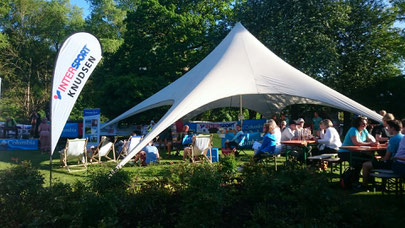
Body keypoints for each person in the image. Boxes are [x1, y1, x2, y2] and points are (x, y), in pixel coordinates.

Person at [362, 120, 403, 186]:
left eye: (388, 127)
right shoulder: (403, 137)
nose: (387, 129)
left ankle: (364, 185)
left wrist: (382, 160)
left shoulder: (393, 139)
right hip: (400, 163)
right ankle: (383, 185)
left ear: (392, 128)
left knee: (366, 165)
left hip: (393, 163)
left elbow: (387, 157)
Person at [339, 117, 378, 183]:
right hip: (345, 152)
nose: (365, 125)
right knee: (360, 161)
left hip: (356, 152)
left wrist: (373, 143)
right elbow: (356, 142)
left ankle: (369, 179)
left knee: (372, 159)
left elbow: (369, 140)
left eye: (366, 123)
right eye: (363, 123)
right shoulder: (353, 130)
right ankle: (355, 180)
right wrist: (370, 143)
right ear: (357, 123)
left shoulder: (364, 130)